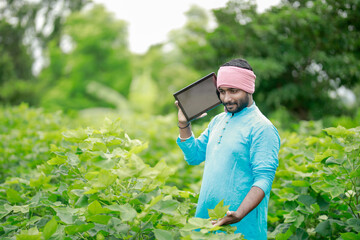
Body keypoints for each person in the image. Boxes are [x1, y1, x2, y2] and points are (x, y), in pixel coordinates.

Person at [175, 58, 280, 240]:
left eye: (234, 91)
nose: (226, 98)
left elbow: (263, 179)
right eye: (222, 91)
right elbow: (194, 156)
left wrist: (239, 213)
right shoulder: (217, 121)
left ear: (248, 89)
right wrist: (183, 124)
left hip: (241, 229)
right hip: (205, 224)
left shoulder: (262, 128)